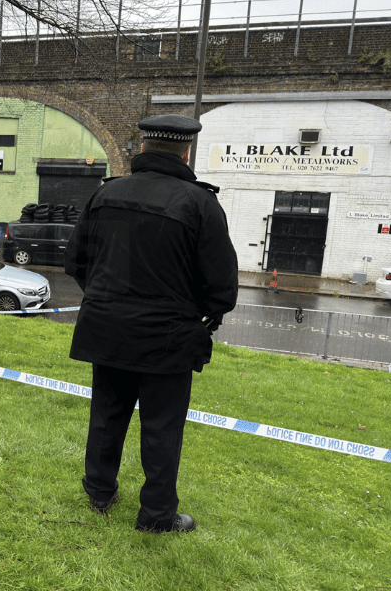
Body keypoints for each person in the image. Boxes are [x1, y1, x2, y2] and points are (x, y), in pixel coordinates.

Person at [65, 114, 238, 533]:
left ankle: (99, 492)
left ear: (142, 148)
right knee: (162, 428)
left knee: (106, 415)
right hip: (167, 337)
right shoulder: (200, 204)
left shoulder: (106, 195)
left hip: (108, 328)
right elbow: (221, 285)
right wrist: (201, 319)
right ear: (186, 151)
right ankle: (157, 515)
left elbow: (76, 262)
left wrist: (107, 300)